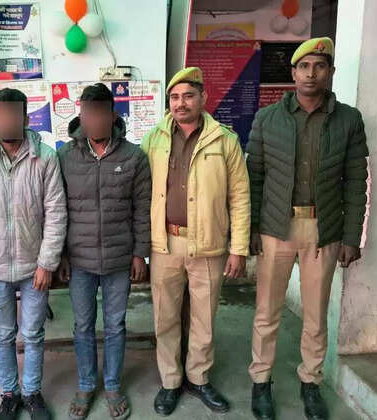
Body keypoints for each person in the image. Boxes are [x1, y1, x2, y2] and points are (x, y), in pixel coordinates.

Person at [246, 37, 369, 420]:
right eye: (304, 66)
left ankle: (310, 382)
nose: (311, 73)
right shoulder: (267, 118)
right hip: (275, 227)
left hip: (324, 227)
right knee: (267, 310)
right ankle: (261, 380)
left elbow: (356, 180)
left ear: (330, 72)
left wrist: (352, 237)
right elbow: (254, 177)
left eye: (319, 66)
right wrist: (250, 230)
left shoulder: (348, 120)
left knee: (316, 313)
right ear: (293, 73)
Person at [140, 67, 251, 416]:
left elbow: (240, 196)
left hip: (209, 245)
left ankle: (199, 378)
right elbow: (140, 193)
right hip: (165, 244)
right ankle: (170, 381)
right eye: (174, 97)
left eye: (188, 96)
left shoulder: (224, 140)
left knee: (204, 319)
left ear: (203, 98)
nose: (181, 103)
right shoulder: (154, 139)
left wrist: (239, 248)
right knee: (166, 317)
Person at [0, 88, 67, 420]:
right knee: (4, 334)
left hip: (34, 267)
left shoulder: (45, 158)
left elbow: (56, 213)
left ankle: (32, 392)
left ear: (25, 118)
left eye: (12, 114)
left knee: (34, 334)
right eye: (0, 114)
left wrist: (47, 263)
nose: (6, 121)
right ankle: (9, 394)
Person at [56, 83, 151, 420]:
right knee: (82, 326)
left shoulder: (134, 157)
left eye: (101, 112)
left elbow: (142, 208)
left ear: (113, 115)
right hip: (79, 259)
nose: (94, 119)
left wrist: (140, 253)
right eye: (88, 112)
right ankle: (85, 385)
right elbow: (57, 209)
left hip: (119, 258)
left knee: (115, 326)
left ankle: (112, 385)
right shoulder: (65, 157)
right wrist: (61, 255)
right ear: (81, 115)